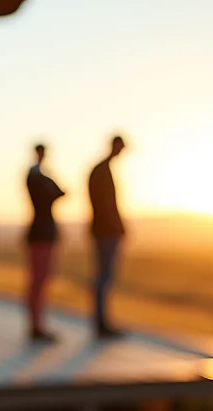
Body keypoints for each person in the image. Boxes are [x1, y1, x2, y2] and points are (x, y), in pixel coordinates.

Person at [25, 143, 65, 342]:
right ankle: (36, 325)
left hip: (42, 233)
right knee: (38, 281)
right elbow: (60, 191)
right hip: (41, 234)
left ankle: (37, 324)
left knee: (39, 281)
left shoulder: (37, 177)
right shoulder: (36, 177)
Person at [88, 135, 127, 338]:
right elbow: (105, 205)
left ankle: (102, 321)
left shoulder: (101, 169)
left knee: (103, 277)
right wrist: (116, 226)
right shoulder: (102, 171)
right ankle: (101, 323)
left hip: (103, 230)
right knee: (104, 277)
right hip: (105, 231)